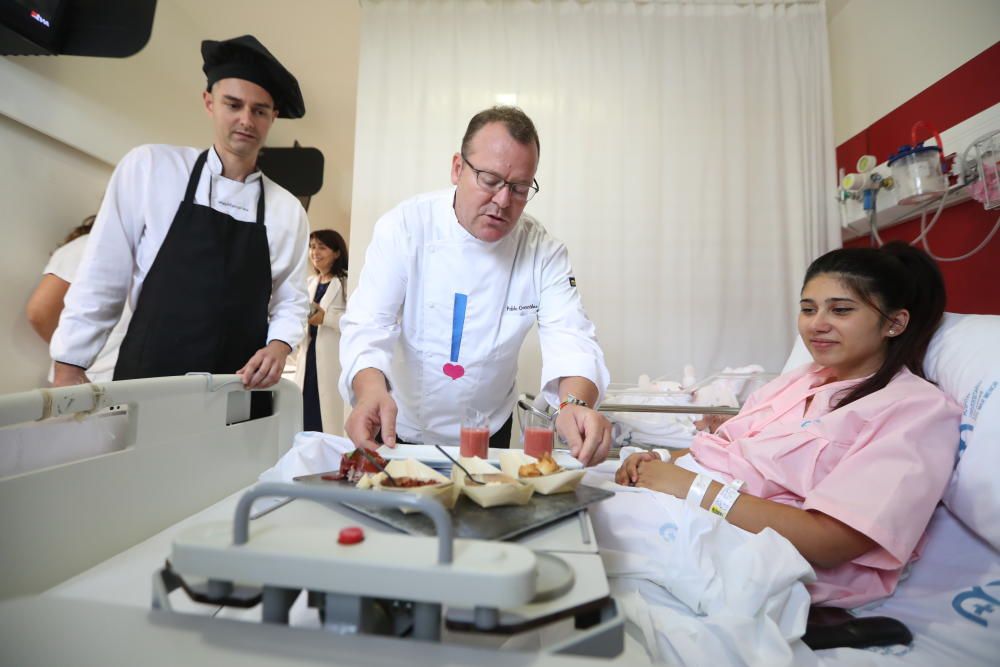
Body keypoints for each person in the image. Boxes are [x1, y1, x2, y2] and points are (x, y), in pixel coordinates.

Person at [615, 242, 961, 607]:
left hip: (747, 546)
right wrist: (658, 462)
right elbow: (729, 446)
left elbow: (829, 542)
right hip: (686, 501)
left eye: (840, 310)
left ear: (894, 323)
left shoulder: (915, 411)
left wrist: (692, 487)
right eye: (808, 309)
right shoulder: (802, 379)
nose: (817, 325)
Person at [340, 106, 613, 465]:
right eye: (489, 179)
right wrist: (369, 391)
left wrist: (574, 404)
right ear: (457, 168)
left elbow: (571, 336)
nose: (503, 201)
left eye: (518, 188)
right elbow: (369, 323)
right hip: (396, 424)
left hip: (488, 431)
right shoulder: (406, 227)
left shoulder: (542, 251)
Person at [49, 35, 310, 392]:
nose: (246, 120)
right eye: (233, 105)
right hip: (148, 378)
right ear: (209, 102)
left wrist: (279, 346)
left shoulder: (287, 210)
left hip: (237, 387)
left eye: (259, 110)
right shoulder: (152, 167)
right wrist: (69, 363)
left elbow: (290, 299)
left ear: (273, 116)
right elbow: (102, 273)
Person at [26, 216, 130, 383]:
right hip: (88, 380)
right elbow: (39, 312)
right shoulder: (89, 244)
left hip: (109, 379)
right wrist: (74, 355)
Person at [293, 229, 348, 433]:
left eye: (322, 247)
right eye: (312, 247)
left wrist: (327, 318)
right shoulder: (309, 284)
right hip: (308, 363)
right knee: (306, 419)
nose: (315, 252)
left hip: (332, 364)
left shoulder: (346, 283)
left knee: (330, 421)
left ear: (336, 252)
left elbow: (357, 323)